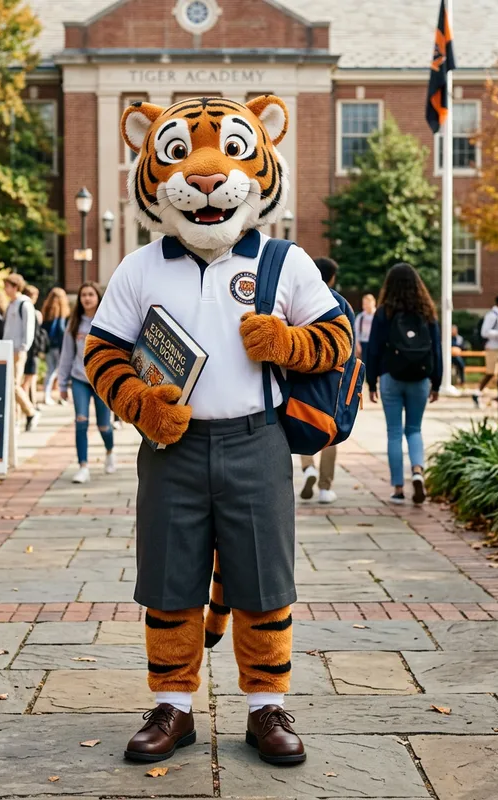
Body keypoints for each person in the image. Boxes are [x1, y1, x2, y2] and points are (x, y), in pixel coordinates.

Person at [84, 95, 354, 766]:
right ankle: (172, 705)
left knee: (264, 580)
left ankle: (267, 707)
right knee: (169, 578)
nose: (205, 177)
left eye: (232, 152)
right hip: (170, 446)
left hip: (256, 439)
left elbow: (338, 339)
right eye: (179, 156)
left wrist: (290, 343)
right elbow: (102, 351)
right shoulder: (141, 266)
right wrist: (137, 402)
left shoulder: (285, 262)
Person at [366, 263, 441, 505]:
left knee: (394, 432)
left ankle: (398, 488)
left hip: (391, 377)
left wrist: (371, 382)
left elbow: (373, 349)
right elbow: (437, 349)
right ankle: (418, 471)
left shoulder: (384, 312)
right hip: (420, 378)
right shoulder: (427, 311)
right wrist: (437, 382)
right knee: (415, 429)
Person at [57, 281, 115, 483]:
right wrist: (62, 384)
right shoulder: (74, 324)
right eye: (84, 295)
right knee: (81, 421)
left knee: (104, 426)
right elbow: (66, 355)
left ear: (98, 297)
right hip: (79, 379)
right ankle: (83, 466)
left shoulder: (107, 321)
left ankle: (110, 451)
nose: (87, 298)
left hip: (101, 381)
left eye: (91, 294)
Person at [300, 257, 340, 504]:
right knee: (329, 430)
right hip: (330, 375)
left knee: (302, 423)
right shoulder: (336, 301)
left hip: (303, 373)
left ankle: (308, 468)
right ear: (332, 278)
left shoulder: (301, 298)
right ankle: (325, 487)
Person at [2, 273, 40, 431]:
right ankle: (17, 419)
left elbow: (28, 328)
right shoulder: (11, 304)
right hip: (7, 349)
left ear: (15, 287)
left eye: (7, 286)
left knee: (14, 385)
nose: (5, 289)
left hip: (18, 350)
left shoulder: (24, 304)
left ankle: (31, 412)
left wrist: (23, 347)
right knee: (10, 386)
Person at [472, 294, 498, 407]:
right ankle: (477, 393)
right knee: (491, 373)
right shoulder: (492, 315)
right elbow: (484, 332)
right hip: (493, 348)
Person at [41, 287, 71, 405]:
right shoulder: (62, 313)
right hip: (59, 347)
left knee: (50, 371)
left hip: (48, 346)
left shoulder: (46, 312)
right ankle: (62, 397)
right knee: (62, 372)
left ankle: (46, 395)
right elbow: (61, 331)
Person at [22, 285, 42, 406]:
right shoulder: (30, 311)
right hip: (31, 349)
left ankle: (32, 403)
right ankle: (27, 405)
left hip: (29, 349)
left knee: (31, 378)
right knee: (28, 379)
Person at [355, 293, 376, 363]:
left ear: (373, 302)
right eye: (364, 303)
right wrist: (358, 345)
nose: (365, 305)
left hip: (374, 343)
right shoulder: (361, 317)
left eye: (367, 303)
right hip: (363, 344)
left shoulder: (377, 316)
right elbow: (356, 332)